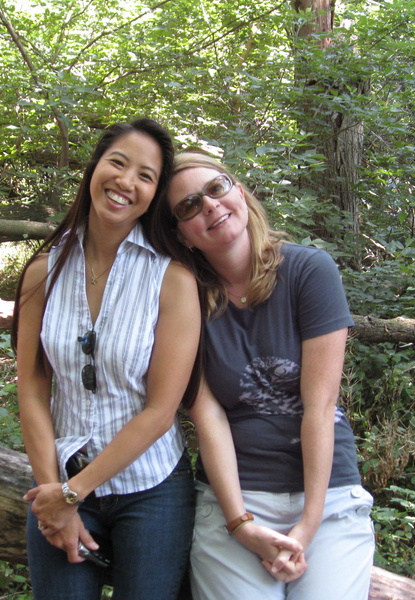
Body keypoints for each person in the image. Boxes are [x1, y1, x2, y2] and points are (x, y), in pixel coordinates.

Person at [163, 152, 375, 600]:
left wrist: (307, 525)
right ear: (182, 235)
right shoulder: (184, 301)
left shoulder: (309, 271)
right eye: (188, 206)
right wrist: (241, 525)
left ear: (239, 191)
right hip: (234, 499)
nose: (209, 206)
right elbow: (209, 418)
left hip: (327, 496)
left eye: (217, 188)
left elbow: (319, 409)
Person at [12, 119, 201, 600]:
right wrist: (55, 491)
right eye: (118, 162)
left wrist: (71, 494)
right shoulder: (43, 269)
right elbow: (32, 388)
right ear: (94, 166)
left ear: (154, 194)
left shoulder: (172, 279)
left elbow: (161, 412)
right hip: (63, 474)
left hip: (152, 487)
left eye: (145, 175)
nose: (125, 182)